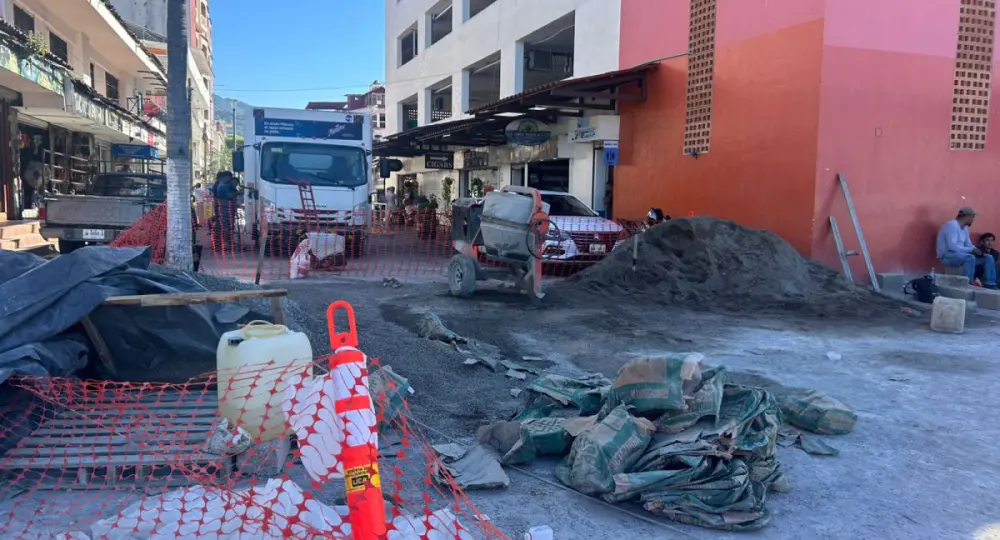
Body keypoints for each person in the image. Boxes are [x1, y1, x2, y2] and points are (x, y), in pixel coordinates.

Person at [936, 206, 997, 288]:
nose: (973, 219)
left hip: (961, 255)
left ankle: (990, 284)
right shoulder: (952, 225)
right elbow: (952, 247)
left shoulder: (965, 228)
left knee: (988, 257)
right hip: (947, 256)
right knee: (969, 258)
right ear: (967, 216)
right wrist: (971, 249)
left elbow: (968, 244)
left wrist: (976, 250)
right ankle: (968, 284)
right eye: (972, 217)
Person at [213, 172, 238, 252]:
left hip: (225, 208)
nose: (230, 179)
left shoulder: (220, 184)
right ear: (225, 177)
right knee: (225, 226)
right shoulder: (222, 186)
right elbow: (229, 196)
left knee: (224, 226)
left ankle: (223, 244)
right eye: (230, 177)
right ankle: (224, 244)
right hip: (224, 209)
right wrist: (238, 193)